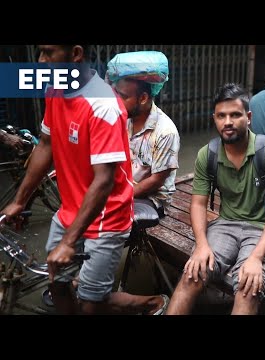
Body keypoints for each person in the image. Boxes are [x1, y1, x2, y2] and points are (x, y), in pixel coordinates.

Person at [0, 45, 168, 315]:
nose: (40, 62)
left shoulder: (103, 105)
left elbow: (104, 181)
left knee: (93, 302)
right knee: (58, 286)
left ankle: (152, 303)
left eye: (48, 53)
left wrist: (68, 242)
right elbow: (45, 144)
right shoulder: (54, 89)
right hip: (69, 210)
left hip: (106, 216)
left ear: (75, 54)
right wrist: (20, 201)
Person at [166, 83, 265, 315]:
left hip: (263, 230)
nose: (228, 122)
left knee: (248, 286)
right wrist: (201, 246)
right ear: (214, 118)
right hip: (225, 226)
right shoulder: (208, 154)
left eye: (235, 115)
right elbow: (198, 203)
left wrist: (256, 257)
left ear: (248, 117)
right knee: (192, 274)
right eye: (221, 116)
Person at [106, 51, 180, 216]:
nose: (117, 101)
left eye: (123, 97)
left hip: (151, 198)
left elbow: (156, 181)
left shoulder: (166, 132)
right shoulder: (122, 118)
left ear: (143, 98)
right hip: (124, 187)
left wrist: (118, 198)